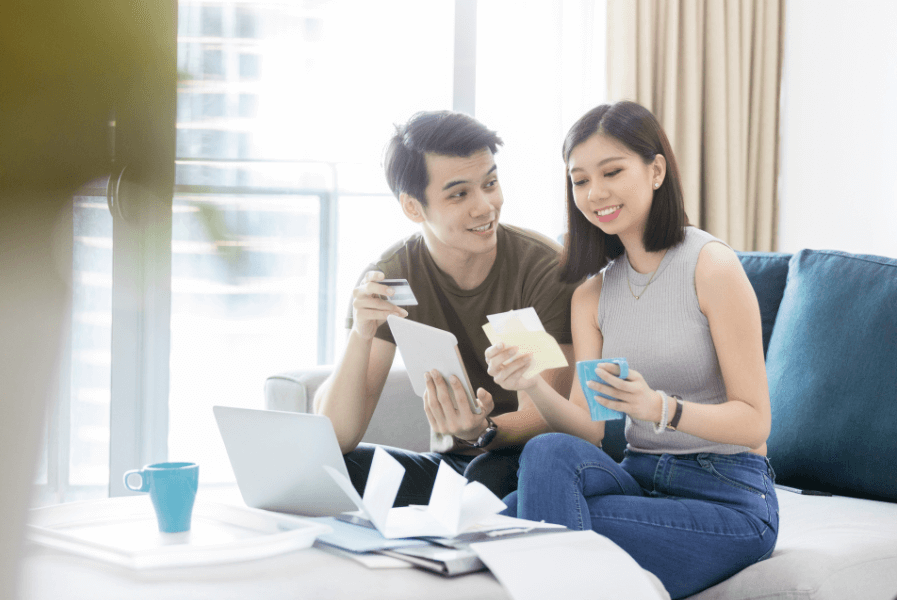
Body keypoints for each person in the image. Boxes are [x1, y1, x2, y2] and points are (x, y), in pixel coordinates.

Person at [485, 101, 777, 599]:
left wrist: (659, 408)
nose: (594, 193)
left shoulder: (711, 267)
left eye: (612, 171)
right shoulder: (592, 295)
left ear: (656, 169)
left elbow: (755, 422)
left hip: (727, 495)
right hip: (638, 480)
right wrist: (531, 383)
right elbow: (588, 427)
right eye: (579, 181)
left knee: (519, 517)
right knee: (547, 452)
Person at [314, 110, 579, 505]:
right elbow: (336, 436)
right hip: (452, 468)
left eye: (490, 183)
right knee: (329, 471)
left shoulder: (540, 269)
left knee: (488, 473)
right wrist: (361, 333)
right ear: (413, 207)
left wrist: (483, 430)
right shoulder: (392, 278)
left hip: (528, 462)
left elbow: (547, 416)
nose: (485, 207)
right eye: (459, 194)